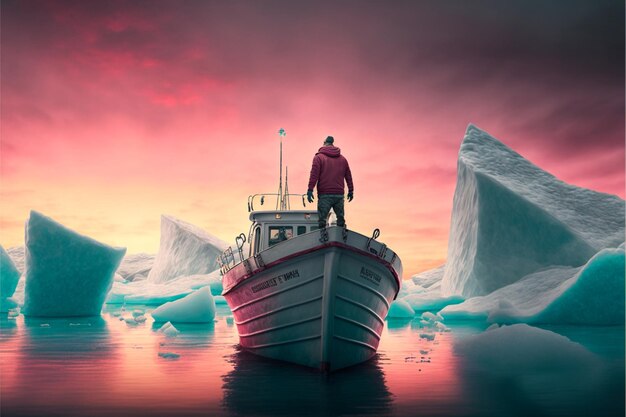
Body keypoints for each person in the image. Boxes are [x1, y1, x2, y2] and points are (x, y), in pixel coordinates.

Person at [307, 136, 354, 229]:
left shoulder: (318, 157)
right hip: (339, 194)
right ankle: (341, 235)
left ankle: (323, 236)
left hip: (325, 194)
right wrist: (351, 190)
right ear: (333, 143)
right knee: (340, 218)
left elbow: (314, 175)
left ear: (324, 143)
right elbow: (348, 176)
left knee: (322, 220)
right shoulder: (343, 159)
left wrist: (310, 190)